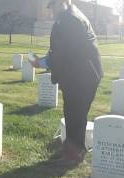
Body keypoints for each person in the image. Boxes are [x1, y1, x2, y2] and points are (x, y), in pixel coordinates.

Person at [29, 0, 104, 166]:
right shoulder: (68, 17)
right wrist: (43, 60)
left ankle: (73, 156)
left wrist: (40, 63)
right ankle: (72, 151)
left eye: (52, 6)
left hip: (83, 76)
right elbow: (58, 49)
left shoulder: (71, 20)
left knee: (75, 115)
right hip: (79, 74)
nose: (51, 11)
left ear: (63, 2)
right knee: (72, 113)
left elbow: (63, 53)